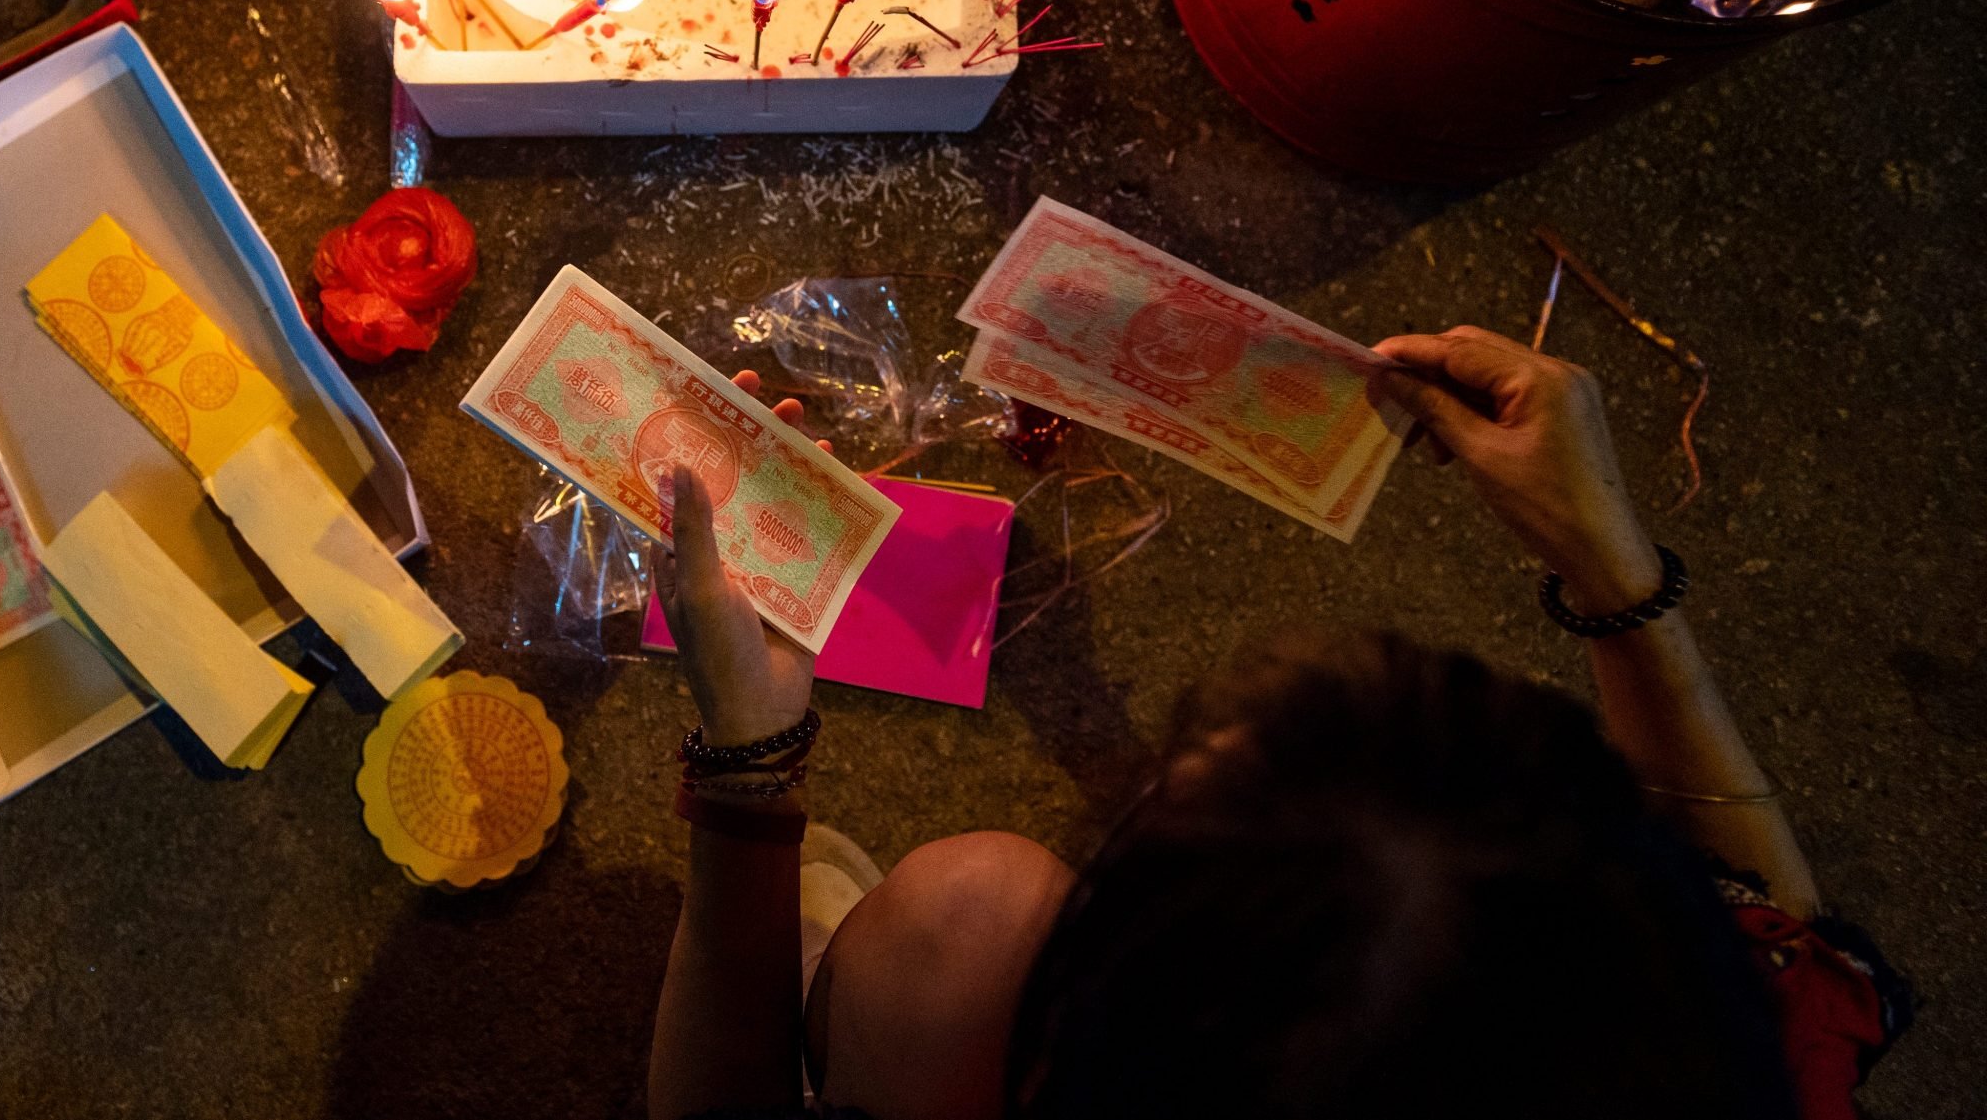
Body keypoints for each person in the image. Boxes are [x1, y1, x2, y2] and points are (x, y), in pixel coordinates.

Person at [647, 327, 1908, 1120]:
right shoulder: (1736, 1044)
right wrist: (1612, 575)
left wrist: (751, 776)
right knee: (969, 914)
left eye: (1149, 842)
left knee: (957, 926)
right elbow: (1763, 913)